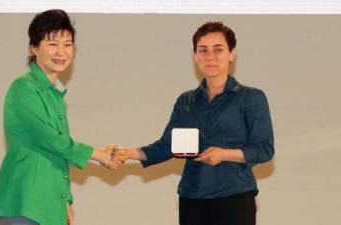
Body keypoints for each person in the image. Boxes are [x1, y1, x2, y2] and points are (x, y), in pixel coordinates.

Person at [114, 21, 275, 225]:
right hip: (192, 197)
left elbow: (264, 149)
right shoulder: (185, 101)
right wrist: (129, 153)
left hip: (234, 196)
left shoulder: (251, 98)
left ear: (232, 54)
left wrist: (224, 154)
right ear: (195, 57)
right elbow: (167, 146)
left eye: (218, 49)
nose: (210, 56)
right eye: (203, 50)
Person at [0, 9, 119, 225]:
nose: (62, 51)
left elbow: (57, 156)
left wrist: (65, 200)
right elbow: (49, 139)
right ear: (34, 47)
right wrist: (99, 154)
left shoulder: (54, 94)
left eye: (68, 44)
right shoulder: (23, 87)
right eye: (53, 44)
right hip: (25, 201)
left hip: (48, 203)